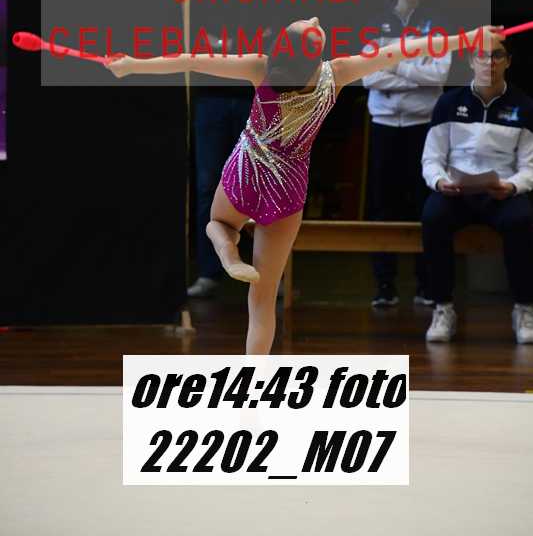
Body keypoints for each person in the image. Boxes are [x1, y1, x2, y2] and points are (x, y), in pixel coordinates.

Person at [106, 19, 501, 354]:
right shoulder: (338, 73)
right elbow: (403, 51)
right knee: (262, 300)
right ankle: (253, 384)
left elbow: (191, 61)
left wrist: (132, 66)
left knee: (217, 223)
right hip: (287, 189)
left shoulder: (261, 67)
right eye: (311, 24)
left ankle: (227, 253)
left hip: (248, 172)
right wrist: (469, 38)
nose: (314, 19)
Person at [421, 41, 533, 344]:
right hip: (456, 191)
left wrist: (512, 186)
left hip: (501, 192)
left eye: (497, 56)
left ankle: (524, 309)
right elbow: (432, 158)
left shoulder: (524, 106)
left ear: (508, 61)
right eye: (482, 56)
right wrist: (440, 182)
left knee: (522, 219)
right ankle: (442, 308)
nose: (489, 62)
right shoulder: (448, 102)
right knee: (433, 217)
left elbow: (529, 166)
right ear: (472, 61)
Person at [187, 0, 278, 299]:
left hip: (255, 103)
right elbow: (198, 44)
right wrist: (243, 46)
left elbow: (270, 49)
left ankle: (264, 274)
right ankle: (210, 272)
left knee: (261, 186)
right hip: (210, 102)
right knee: (208, 185)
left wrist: (225, 46)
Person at [362, 0, 452, 308]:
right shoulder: (375, 22)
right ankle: (384, 285)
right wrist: (414, 71)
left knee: (422, 203)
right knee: (383, 205)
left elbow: (439, 75)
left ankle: (425, 285)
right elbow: (368, 77)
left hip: (422, 125)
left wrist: (393, 64)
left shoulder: (437, 25)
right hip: (384, 125)